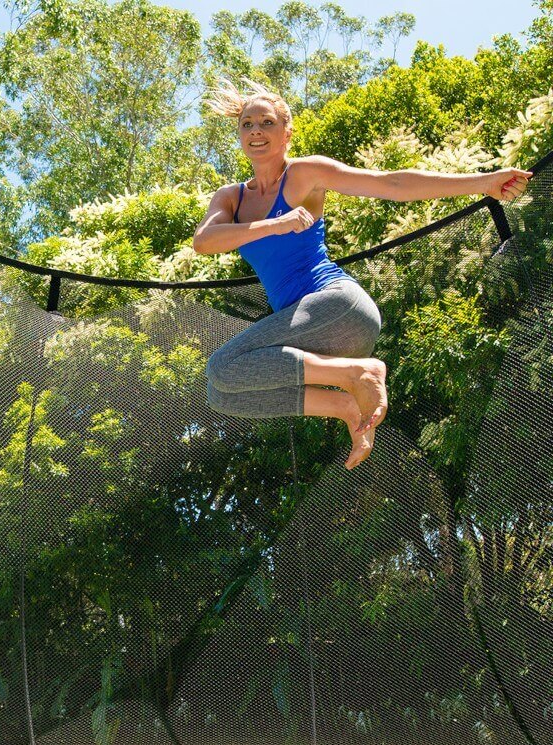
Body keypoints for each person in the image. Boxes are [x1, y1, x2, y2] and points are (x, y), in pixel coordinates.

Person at [193, 78, 532, 470]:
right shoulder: (231, 197)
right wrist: (275, 224)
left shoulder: (304, 174)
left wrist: (484, 182)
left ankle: (361, 372)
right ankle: (342, 403)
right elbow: (205, 241)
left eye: (266, 122)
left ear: (287, 132)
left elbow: (391, 183)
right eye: (247, 124)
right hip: (314, 337)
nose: (255, 131)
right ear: (239, 135)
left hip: (337, 307)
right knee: (221, 393)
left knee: (221, 365)